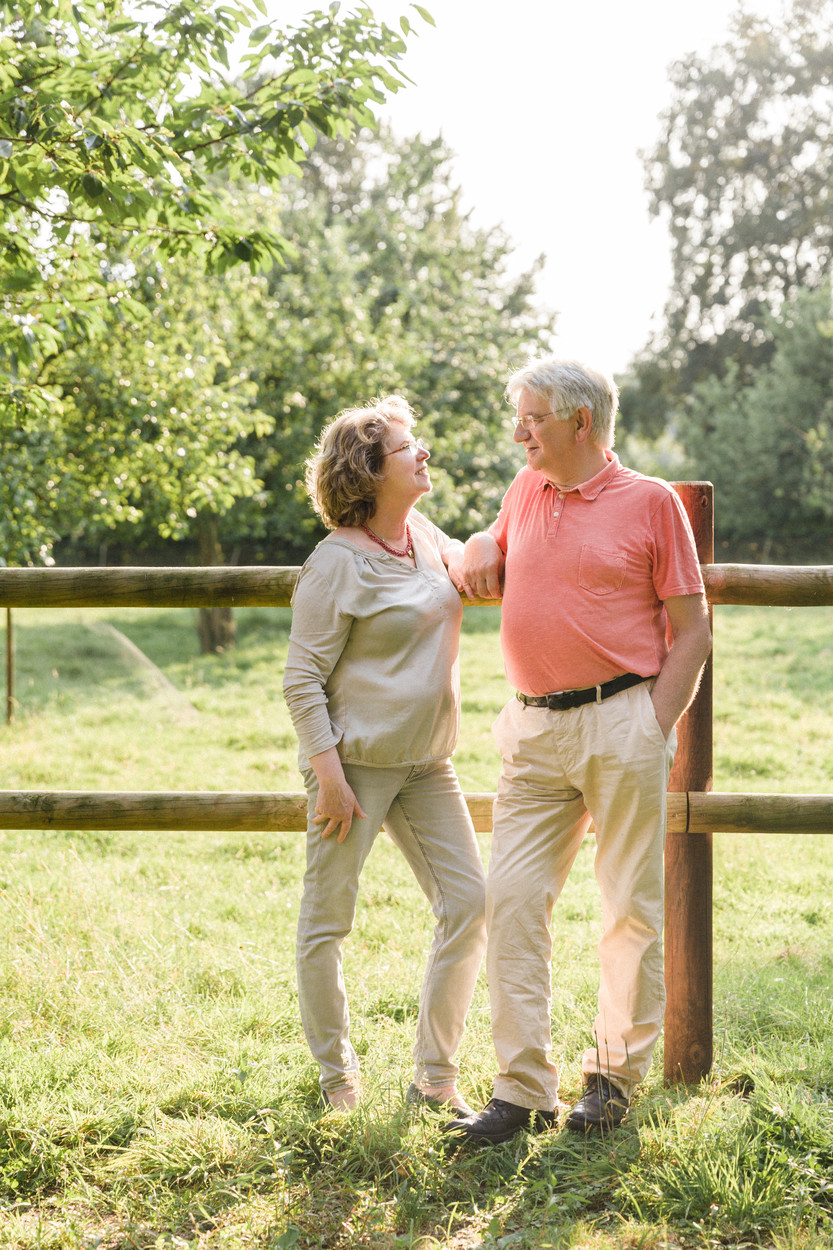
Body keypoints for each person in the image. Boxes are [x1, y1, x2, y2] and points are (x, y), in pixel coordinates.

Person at [444, 357, 712, 1143]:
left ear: (578, 422)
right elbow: (482, 549)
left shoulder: (650, 504)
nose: (518, 430)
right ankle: (522, 1091)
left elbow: (690, 628)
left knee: (628, 906)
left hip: (618, 720)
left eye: (530, 417)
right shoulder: (524, 489)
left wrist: (651, 724)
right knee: (512, 899)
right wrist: (473, 543)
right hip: (531, 730)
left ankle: (611, 1079)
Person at [283, 395, 487, 1114]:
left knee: (469, 903)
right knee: (326, 922)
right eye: (408, 448)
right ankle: (337, 1080)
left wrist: (498, 538)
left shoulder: (421, 534)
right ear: (369, 471)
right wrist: (330, 780)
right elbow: (301, 679)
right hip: (354, 768)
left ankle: (434, 1078)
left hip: (428, 763)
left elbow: (470, 564)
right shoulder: (336, 562)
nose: (422, 453)